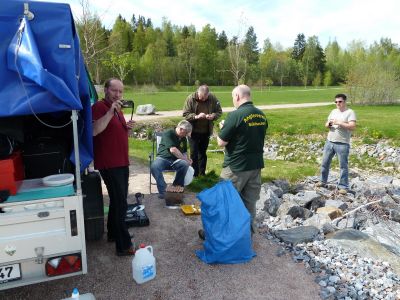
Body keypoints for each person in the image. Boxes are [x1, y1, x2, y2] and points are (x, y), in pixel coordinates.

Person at [198, 85, 267, 240]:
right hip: (255, 166)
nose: (233, 101)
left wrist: (222, 128)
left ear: (237, 96)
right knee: (249, 204)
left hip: (236, 167)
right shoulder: (261, 115)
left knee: (222, 202)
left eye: (232, 98)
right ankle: (246, 236)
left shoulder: (235, 115)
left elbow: (221, 142)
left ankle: (213, 235)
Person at [92, 78, 135, 256]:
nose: (118, 95)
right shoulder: (99, 107)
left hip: (121, 161)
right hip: (110, 163)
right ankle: (123, 245)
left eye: (120, 92)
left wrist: (127, 128)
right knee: (121, 203)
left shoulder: (119, 110)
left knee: (117, 201)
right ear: (105, 90)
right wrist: (110, 112)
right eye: (114, 91)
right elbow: (94, 130)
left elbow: (115, 132)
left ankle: (113, 234)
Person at [316, 93, 356, 194]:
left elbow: (352, 126)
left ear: (345, 102)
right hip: (330, 141)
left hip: (342, 143)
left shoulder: (350, 112)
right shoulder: (333, 111)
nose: (338, 103)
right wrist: (329, 124)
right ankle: (322, 181)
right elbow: (326, 124)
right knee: (324, 163)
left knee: (343, 166)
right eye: (336, 102)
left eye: (340, 101)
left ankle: (343, 186)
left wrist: (339, 123)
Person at [183, 85, 222, 177]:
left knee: (203, 153)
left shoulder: (212, 98)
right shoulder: (190, 98)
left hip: (206, 131)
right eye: (201, 97)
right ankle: (194, 174)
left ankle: (202, 174)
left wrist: (213, 116)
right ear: (198, 92)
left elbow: (219, 111)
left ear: (208, 94)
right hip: (193, 131)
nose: (203, 99)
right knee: (194, 153)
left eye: (205, 97)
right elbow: (185, 114)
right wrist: (196, 116)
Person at [150, 120, 193, 199]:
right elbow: (173, 150)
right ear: (181, 129)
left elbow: (184, 152)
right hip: (163, 159)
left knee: (185, 164)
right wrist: (185, 159)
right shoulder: (169, 133)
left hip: (176, 161)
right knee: (155, 166)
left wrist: (188, 159)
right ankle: (164, 191)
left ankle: (176, 189)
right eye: (186, 133)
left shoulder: (183, 138)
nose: (186, 135)